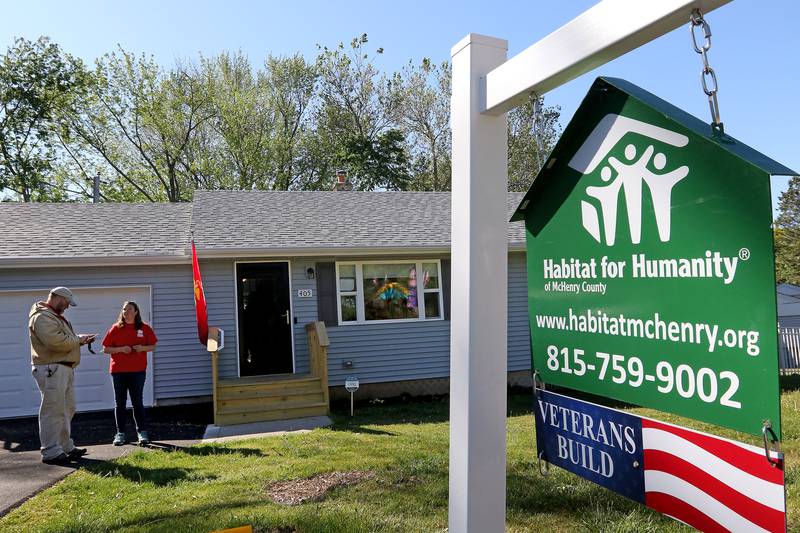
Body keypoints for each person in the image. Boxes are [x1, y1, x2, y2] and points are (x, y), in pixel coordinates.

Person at [29, 287, 96, 464]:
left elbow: (63, 340)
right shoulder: (42, 316)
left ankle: (65, 446)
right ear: (58, 298)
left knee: (67, 408)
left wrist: (79, 340)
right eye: (66, 303)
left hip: (61, 367)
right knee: (53, 410)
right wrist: (78, 339)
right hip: (51, 368)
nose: (67, 307)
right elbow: (55, 342)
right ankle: (50, 452)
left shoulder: (52, 315)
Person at [102, 301, 157, 446]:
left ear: (136, 312)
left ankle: (142, 433)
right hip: (118, 371)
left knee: (137, 402)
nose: (126, 312)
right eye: (124, 309)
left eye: (129, 309)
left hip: (138, 371)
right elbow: (106, 349)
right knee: (119, 403)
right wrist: (120, 349)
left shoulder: (144, 328)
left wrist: (142, 348)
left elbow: (153, 346)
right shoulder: (115, 328)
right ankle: (120, 434)